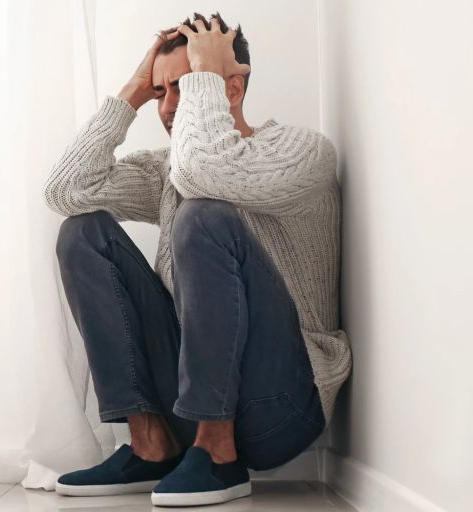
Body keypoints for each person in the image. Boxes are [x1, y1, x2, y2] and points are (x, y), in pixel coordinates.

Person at [41, 12, 352, 507]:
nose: (168, 107)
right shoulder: (168, 170)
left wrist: (205, 77)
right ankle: (151, 444)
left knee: (202, 215)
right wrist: (132, 93)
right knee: (82, 233)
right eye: (161, 92)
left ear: (230, 88)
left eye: (184, 87)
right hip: (189, 400)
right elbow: (64, 190)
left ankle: (218, 453)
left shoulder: (301, 152)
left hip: (282, 405)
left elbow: (207, 173)